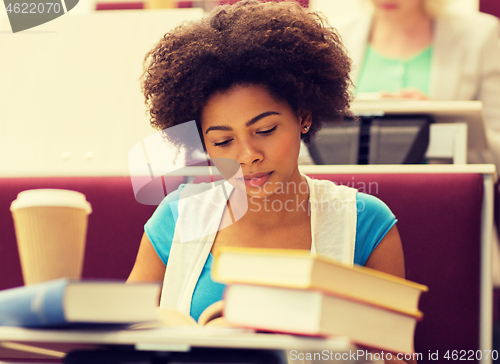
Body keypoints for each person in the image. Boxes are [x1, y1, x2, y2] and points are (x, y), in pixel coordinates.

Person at [128, 1, 413, 362]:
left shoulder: (365, 221)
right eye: (223, 141)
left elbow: (397, 358)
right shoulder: (177, 216)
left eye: (265, 130)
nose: (247, 155)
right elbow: (126, 340)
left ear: (303, 117)